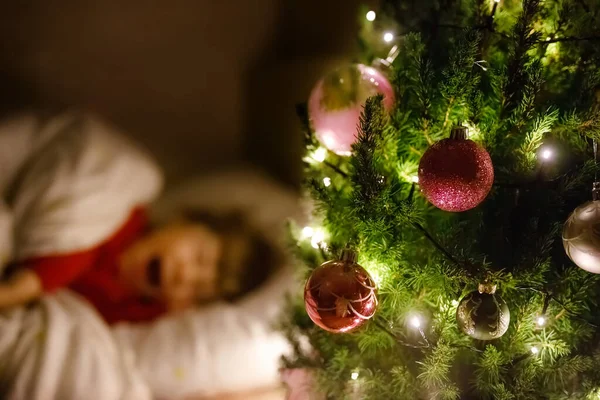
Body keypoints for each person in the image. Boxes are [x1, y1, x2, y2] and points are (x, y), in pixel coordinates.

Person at [0, 112, 280, 325]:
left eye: (199, 290)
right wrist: (26, 286)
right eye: (199, 257)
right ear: (181, 222)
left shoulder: (137, 311)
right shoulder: (122, 217)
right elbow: (76, 240)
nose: (185, 276)